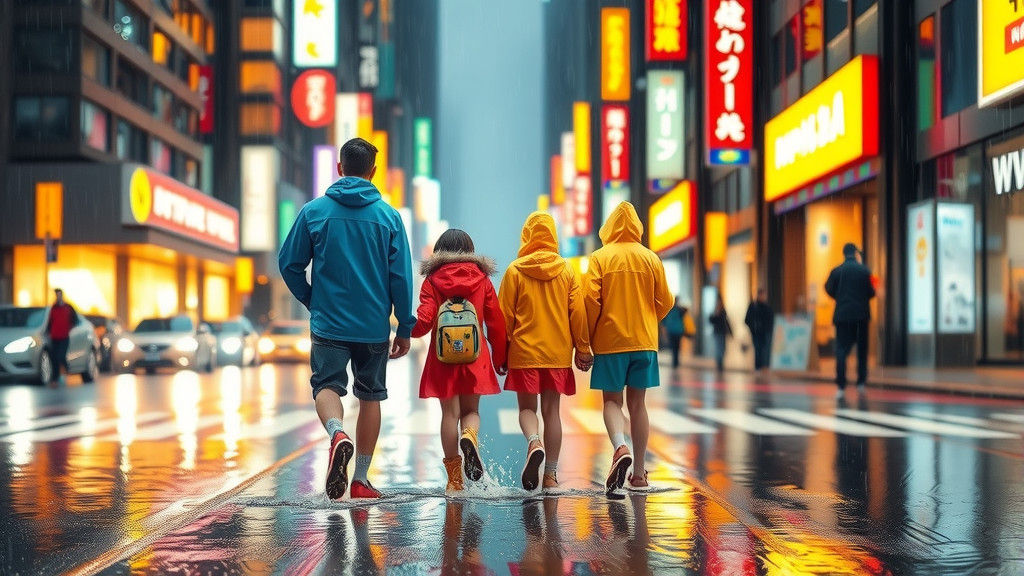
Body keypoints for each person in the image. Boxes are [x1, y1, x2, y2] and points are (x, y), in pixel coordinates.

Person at [278, 137, 415, 500]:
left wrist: (312, 300)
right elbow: (400, 277)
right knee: (371, 396)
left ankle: (337, 431)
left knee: (326, 387)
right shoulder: (389, 217)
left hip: (329, 323)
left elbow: (288, 264)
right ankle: (361, 480)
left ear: (339, 168)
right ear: (373, 172)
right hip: (373, 326)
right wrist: (404, 324)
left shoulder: (314, 211)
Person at [584, 202, 674, 495]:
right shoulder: (651, 258)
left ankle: (620, 446)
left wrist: (588, 338)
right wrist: (648, 320)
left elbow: (590, 301)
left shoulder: (599, 258)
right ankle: (638, 474)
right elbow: (666, 300)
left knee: (612, 402)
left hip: (610, 342)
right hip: (644, 343)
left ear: (609, 227)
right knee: (638, 404)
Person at [498, 212, 592, 491]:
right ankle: (550, 476)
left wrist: (501, 354)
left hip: (524, 353)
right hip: (557, 354)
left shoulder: (515, 270)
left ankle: (533, 442)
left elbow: (504, 317)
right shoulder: (566, 270)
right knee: (552, 412)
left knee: (527, 409)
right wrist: (583, 348)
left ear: (526, 236)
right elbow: (578, 313)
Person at [412, 229, 507, 493]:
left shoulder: (432, 281)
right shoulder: (482, 280)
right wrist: (501, 356)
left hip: (443, 358)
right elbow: (495, 322)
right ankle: (470, 436)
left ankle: (454, 481)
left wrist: (405, 331)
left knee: (449, 414)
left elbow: (424, 320)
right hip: (474, 358)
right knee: (471, 412)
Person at [824, 242, 876, 398]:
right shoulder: (865, 270)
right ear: (856, 254)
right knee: (862, 350)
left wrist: (839, 298)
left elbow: (827, 288)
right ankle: (860, 382)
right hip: (861, 315)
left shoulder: (836, 271)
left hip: (842, 316)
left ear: (844, 254)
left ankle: (841, 384)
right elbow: (872, 291)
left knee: (841, 349)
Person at [44, 288, 79, 386]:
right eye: (56, 295)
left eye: (59, 295)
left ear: (62, 295)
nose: (58, 297)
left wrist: (69, 328)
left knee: (61, 356)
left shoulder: (68, 307)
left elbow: (74, 320)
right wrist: (48, 332)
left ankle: (67, 370)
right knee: (54, 358)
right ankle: (55, 379)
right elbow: (50, 322)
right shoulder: (53, 308)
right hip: (54, 336)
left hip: (64, 337)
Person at [744, 288, 775, 373]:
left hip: (765, 333)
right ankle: (758, 368)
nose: (763, 297)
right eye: (761, 295)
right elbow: (747, 319)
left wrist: (768, 329)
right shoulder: (753, 306)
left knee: (765, 350)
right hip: (756, 333)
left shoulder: (767, 307)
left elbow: (771, 320)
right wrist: (753, 328)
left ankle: (765, 368)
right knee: (758, 351)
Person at [660, 297, 694, 369]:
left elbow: (663, 321)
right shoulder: (679, 310)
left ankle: (675, 362)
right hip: (678, 331)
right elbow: (686, 310)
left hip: (672, 331)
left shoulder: (669, 310)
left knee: (674, 347)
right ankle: (676, 362)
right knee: (677, 347)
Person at [708, 293, 732, 373]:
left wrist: (731, 332)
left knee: (723, 348)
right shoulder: (715, 311)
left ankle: (720, 363)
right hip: (717, 332)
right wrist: (716, 315)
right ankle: (719, 364)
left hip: (722, 332)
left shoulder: (723, 311)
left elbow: (726, 322)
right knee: (719, 348)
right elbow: (711, 320)